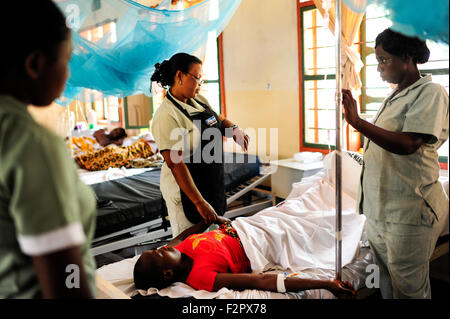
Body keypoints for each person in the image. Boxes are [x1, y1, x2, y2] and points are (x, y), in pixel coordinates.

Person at [341, 28, 449, 299]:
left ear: (407, 57)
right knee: (387, 285)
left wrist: (358, 123)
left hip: (409, 213)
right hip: (381, 210)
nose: (378, 68)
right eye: (377, 60)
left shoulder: (430, 92)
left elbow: (408, 143)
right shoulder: (394, 95)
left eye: (383, 59)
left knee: (410, 291)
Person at [0, 1, 97, 298]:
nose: (68, 75)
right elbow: (65, 279)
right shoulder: (31, 143)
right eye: (66, 61)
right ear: (36, 64)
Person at [133, 216, 357, 298]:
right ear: (168, 273)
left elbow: (184, 234)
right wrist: (327, 284)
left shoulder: (178, 249)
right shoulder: (202, 277)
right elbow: (261, 281)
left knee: (299, 209)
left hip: (246, 224)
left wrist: (210, 217)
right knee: (318, 225)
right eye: (159, 253)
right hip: (261, 242)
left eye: (157, 248)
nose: (163, 247)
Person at [150, 53, 249, 236]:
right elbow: (175, 164)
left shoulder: (200, 101)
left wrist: (234, 129)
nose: (200, 84)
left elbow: (219, 120)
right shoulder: (166, 116)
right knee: (192, 244)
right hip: (185, 192)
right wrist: (199, 202)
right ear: (180, 76)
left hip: (209, 181)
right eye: (197, 78)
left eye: (201, 79)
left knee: (213, 240)